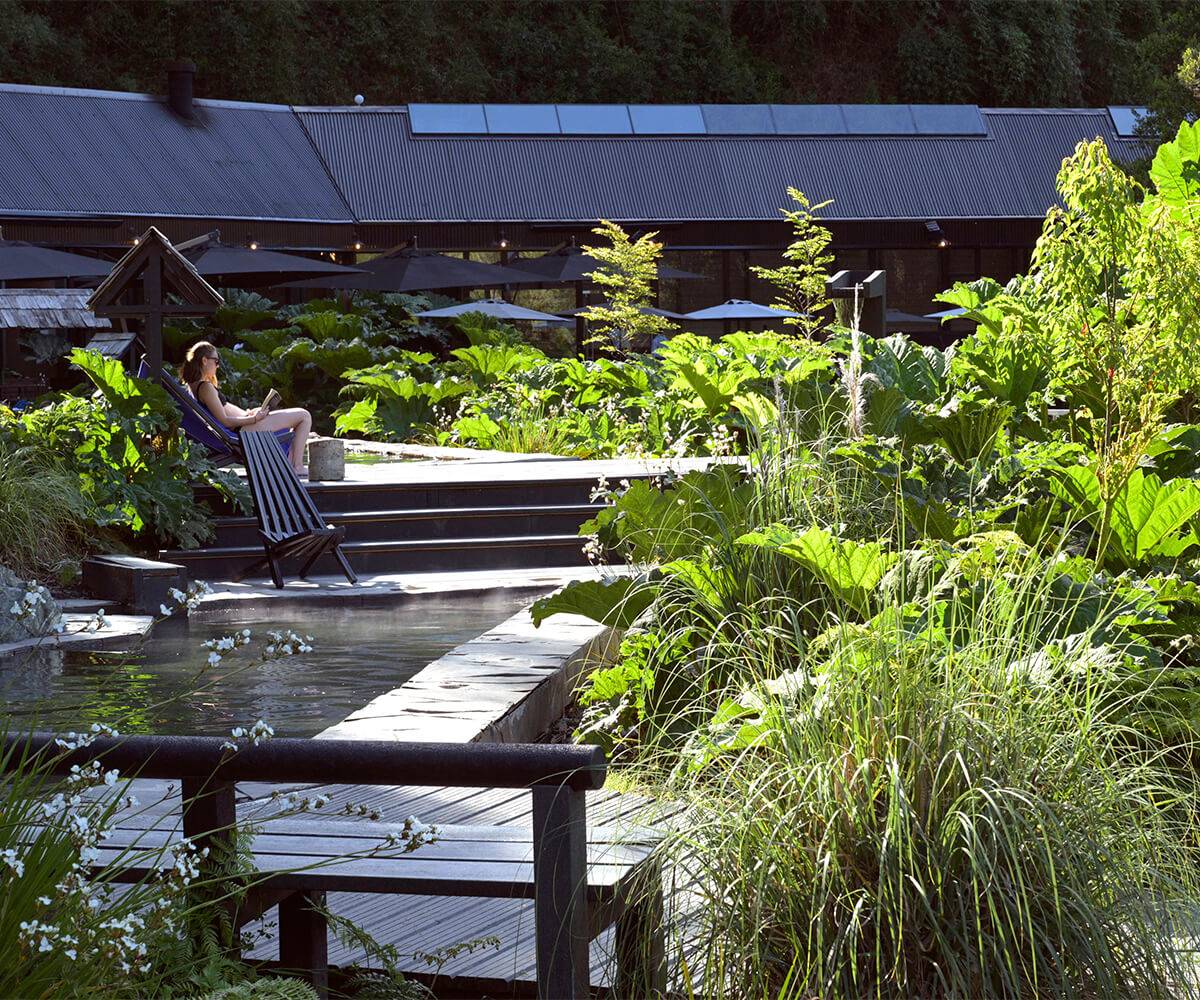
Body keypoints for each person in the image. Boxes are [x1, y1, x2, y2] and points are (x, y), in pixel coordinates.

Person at [180, 341, 312, 476]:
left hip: (242, 427)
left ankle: (291, 464)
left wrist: (248, 414)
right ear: (204, 360)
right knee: (304, 416)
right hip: (242, 432)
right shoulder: (205, 388)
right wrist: (254, 419)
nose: (218, 366)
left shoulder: (194, 387)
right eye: (216, 361)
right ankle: (297, 466)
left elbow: (224, 411)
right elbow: (225, 421)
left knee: (299, 418)